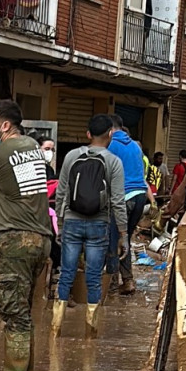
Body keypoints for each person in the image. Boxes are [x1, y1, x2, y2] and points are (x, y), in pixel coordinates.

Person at [0, 99, 52, 371]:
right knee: (24, 310)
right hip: (42, 238)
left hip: (15, 240)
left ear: (5, 125)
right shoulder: (32, 147)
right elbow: (3, 189)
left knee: (12, 311)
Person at [53, 114, 127, 340]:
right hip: (98, 224)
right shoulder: (114, 162)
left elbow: (61, 192)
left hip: (72, 223)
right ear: (110, 135)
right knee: (94, 277)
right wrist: (123, 234)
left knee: (66, 274)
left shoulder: (71, 156)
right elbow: (117, 201)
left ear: (87, 134)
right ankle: (90, 334)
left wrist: (60, 221)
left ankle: (55, 330)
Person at [107, 115, 154, 296]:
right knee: (124, 238)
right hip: (140, 197)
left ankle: (110, 285)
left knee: (113, 239)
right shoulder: (135, 146)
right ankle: (127, 281)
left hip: (123, 198)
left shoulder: (111, 146)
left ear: (110, 130)